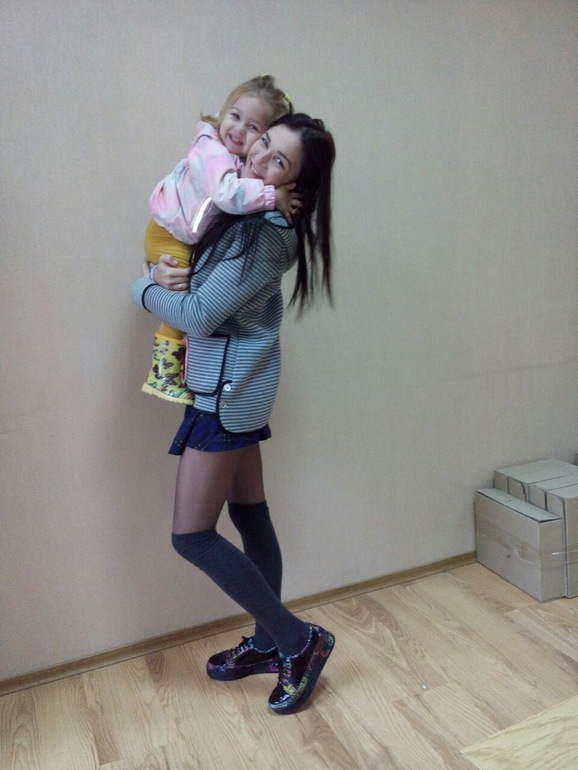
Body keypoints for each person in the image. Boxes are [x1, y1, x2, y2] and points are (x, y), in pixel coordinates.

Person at [131, 113, 336, 715]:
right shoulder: (242, 215)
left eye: (278, 161)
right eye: (262, 144)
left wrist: (142, 288)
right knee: (250, 516)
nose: (258, 159)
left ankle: (299, 641)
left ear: (296, 185)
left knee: (191, 536)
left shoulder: (264, 235)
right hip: (234, 391)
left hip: (225, 398)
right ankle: (270, 644)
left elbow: (198, 315)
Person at [143, 74, 297, 404]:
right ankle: (163, 373)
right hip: (167, 232)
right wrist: (273, 196)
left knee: (184, 291)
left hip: (179, 233)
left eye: (253, 128)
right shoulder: (212, 150)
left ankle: (174, 368)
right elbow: (228, 194)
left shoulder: (236, 162)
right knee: (180, 292)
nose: (239, 130)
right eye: (235, 116)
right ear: (223, 112)